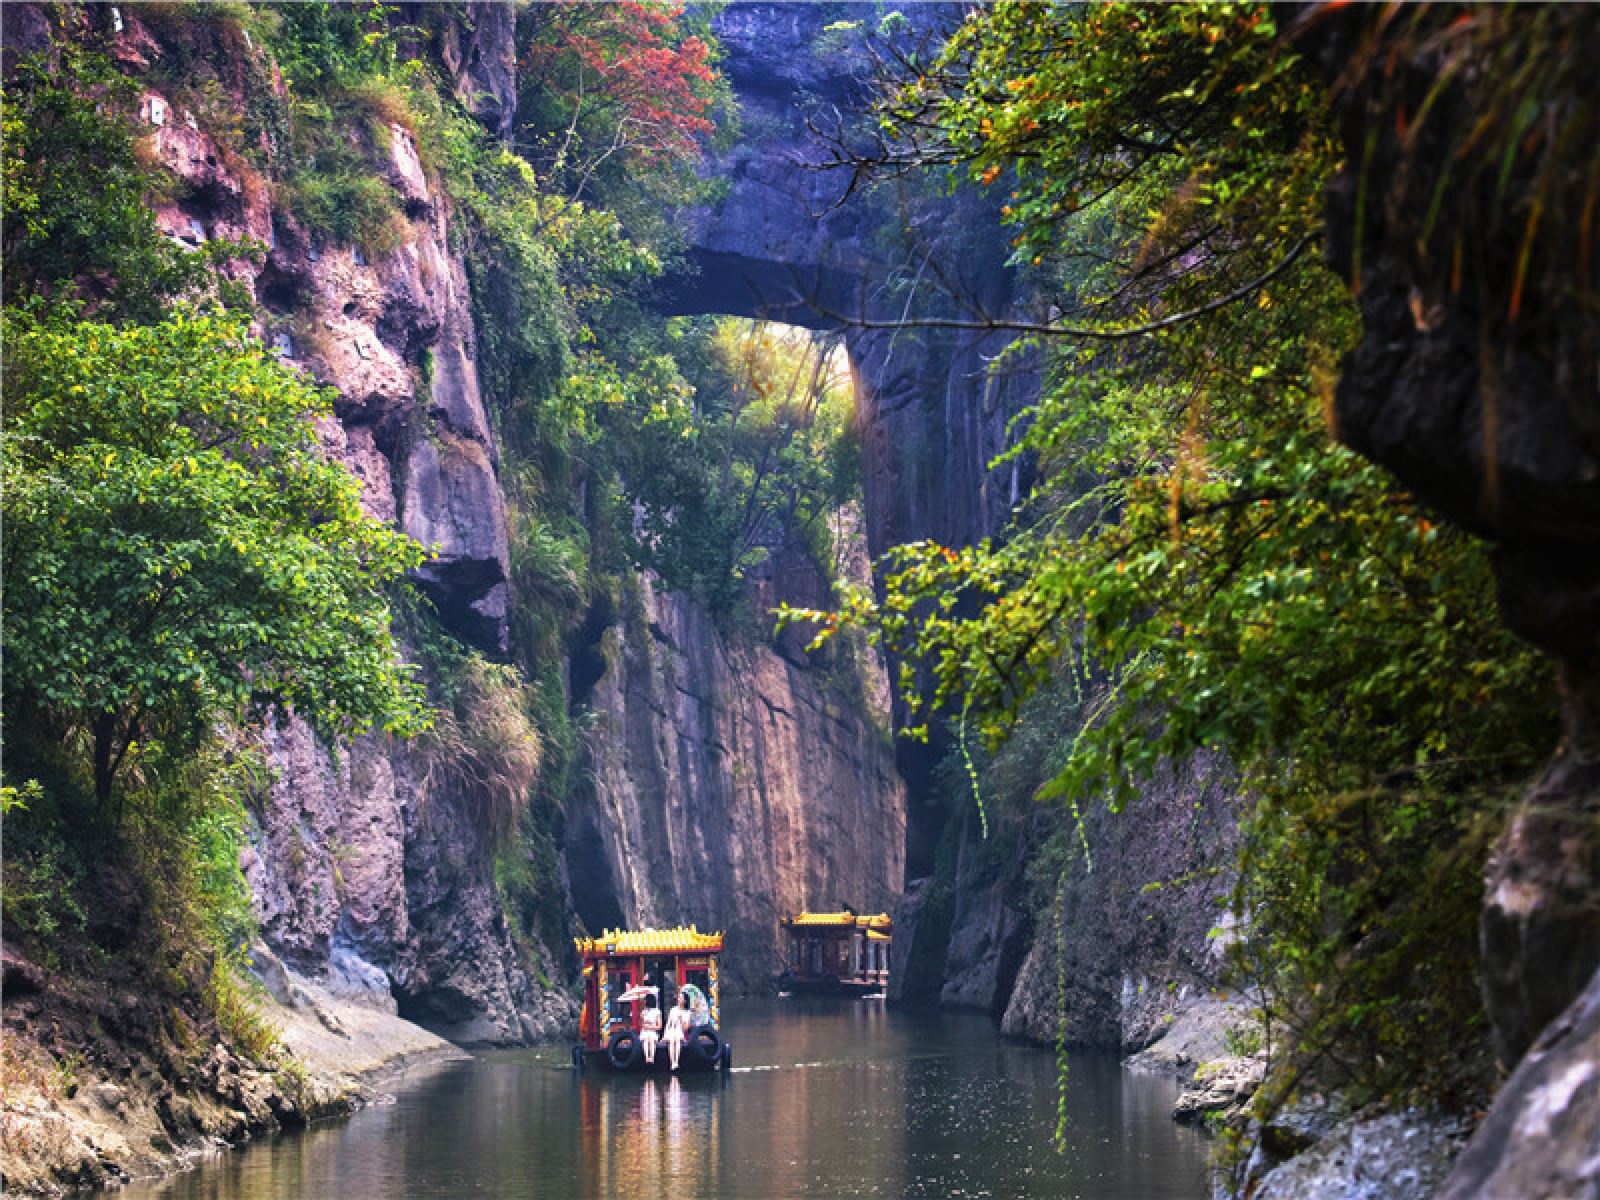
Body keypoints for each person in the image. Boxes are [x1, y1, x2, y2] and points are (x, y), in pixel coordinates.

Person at [663, 991, 691, 1071]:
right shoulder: (673, 1010)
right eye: (679, 997)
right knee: (672, 1039)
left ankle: (676, 1061)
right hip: (672, 1031)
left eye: (681, 998)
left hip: (680, 1031)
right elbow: (668, 1024)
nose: (679, 999)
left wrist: (681, 1019)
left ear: (685, 1001)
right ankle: (673, 1062)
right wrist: (664, 1035)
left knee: (677, 1039)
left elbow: (686, 1028)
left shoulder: (687, 1012)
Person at [640, 996, 663, 1065]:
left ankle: (652, 1057)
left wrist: (650, 1027)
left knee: (651, 1039)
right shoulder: (644, 1011)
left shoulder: (657, 1011)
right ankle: (647, 1057)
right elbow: (642, 1025)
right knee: (646, 1039)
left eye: (645, 1000)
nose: (644, 1001)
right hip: (645, 1031)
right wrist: (642, 1019)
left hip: (653, 1031)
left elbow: (659, 1026)